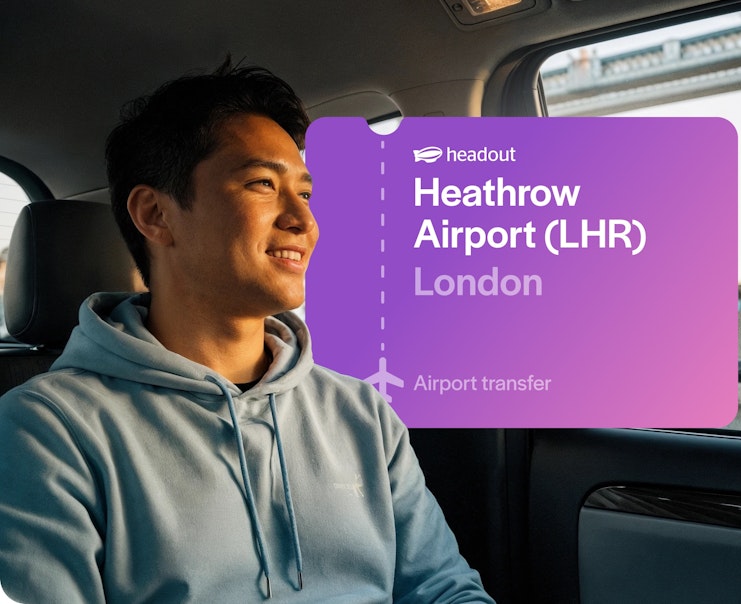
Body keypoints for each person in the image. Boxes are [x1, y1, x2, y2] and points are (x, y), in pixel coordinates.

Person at [0, 60, 495, 603]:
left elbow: (444, 589)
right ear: (156, 214)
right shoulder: (47, 429)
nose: (303, 222)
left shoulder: (360, 411)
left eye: (304, 193)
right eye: (262, 184)